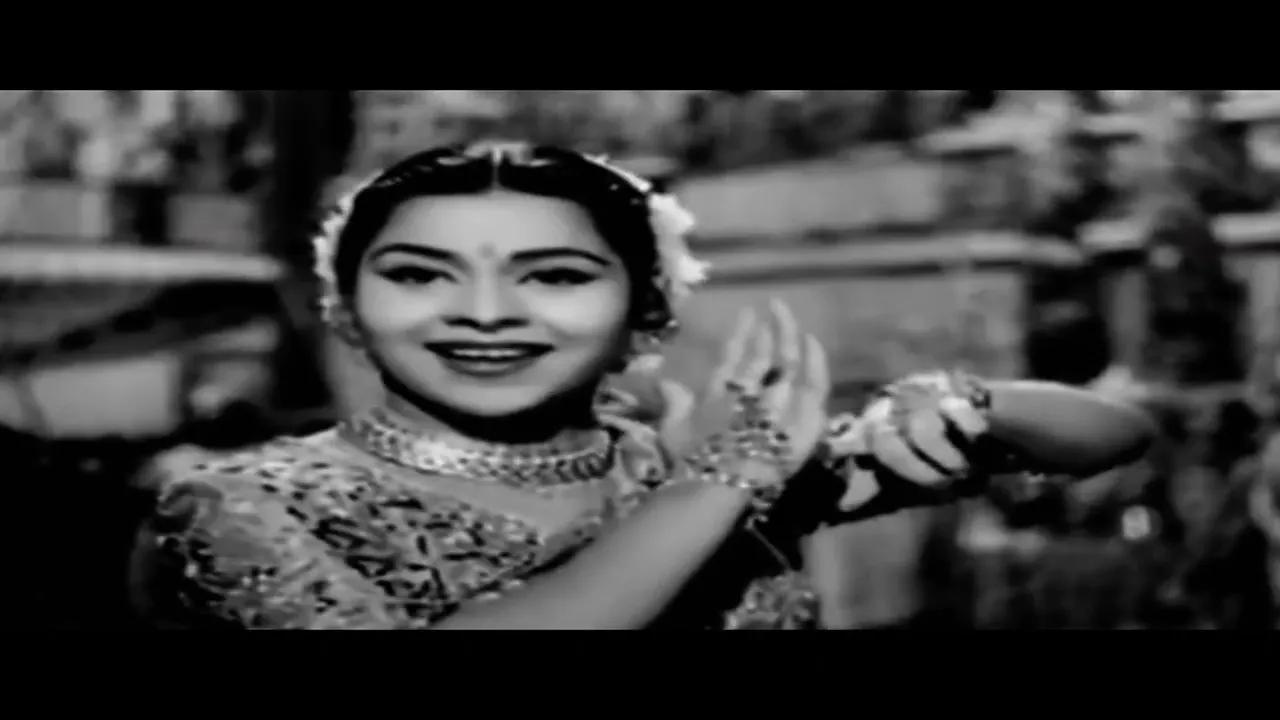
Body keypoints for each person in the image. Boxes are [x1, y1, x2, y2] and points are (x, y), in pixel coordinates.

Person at [127, 141, 1154, 630]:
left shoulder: (684, 467)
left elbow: (1108, 434)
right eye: (418, 275)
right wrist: (723, 475)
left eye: (554, 276)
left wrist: (954, 402)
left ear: (646, 315)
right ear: (348, 310)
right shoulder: (239, 505)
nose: (484, 312)